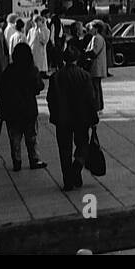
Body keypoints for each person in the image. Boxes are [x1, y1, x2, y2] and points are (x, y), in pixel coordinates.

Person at [46, 44, 99, 191]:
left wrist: (54, 113)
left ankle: (67, 180)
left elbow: (51, 98)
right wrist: (93, 116)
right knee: (83, 144)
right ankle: (77, 166)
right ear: (77, 59)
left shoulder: (56, 77)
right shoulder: (84, 75)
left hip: (62, 118)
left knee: (64, 149)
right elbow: (91, 98)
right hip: (81, 117)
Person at [0, 43, 47, 171]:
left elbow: (0, 88)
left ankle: (17, 160)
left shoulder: (9, 70)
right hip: (28, 108)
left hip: (12, 109)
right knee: (31, 136)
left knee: (15, 137)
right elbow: (39, 86)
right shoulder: (32, 70)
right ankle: (34, 159)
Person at [83, 21, 108, 112]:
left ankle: (97, 106)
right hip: (98, 66)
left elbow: (94, 52)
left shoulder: (96, 38)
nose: (90, 30)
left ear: (96, 29)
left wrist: (85, 54)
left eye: (92, 28)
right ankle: (99, 106)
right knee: (97, 86)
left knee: (95, 87)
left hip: (96, 66)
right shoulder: (99, 38)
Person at [26, 13, 51, 79]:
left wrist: (40, 31)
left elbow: (44, 41)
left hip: (40, 52)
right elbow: (28, 40)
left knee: (40, 67)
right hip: (33, 52)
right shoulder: (31, 30)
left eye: (37, 22)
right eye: (35, 22)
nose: (36, 24)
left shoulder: (46, 30)